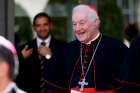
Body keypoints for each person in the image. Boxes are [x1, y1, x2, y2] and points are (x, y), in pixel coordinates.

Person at [64, 4, 128, 93]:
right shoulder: (67, 50)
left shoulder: (116, 48)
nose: (77, 28)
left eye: (82, 23)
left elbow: (127, 84)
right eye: (74, 24)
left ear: (96, 22)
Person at [16, 12, 66, 93]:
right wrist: (21, 58)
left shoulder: (63, 47)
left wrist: (50, 56)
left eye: (45, 24)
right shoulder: (24, 49)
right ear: (34, 28)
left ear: (50, 25)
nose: (42, 28)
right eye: (38, 25)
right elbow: (16, 76)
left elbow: (66, 73)